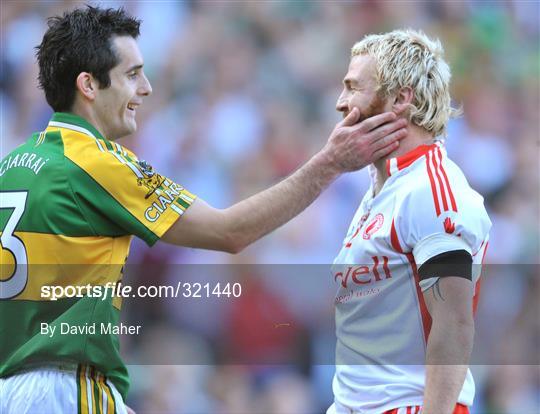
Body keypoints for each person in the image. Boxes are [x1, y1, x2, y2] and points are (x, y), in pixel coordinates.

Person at [0, 6, 407, 414]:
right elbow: (228, 231)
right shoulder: (100, 162)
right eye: (132, 74)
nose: (146, 88)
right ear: (88, 85)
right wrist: (330, 162)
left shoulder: (12, 164)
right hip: (69, 391)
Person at [329, 30, 491, 414]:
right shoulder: (383, 189)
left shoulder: (431, 189)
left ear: (401, 98)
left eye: (354, 88)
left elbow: (454, 325)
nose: (341, 102)